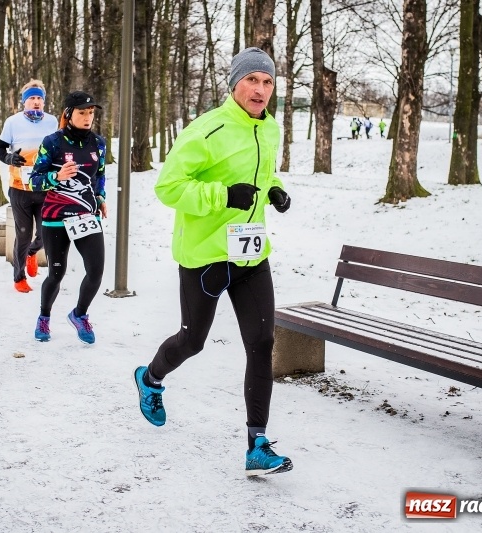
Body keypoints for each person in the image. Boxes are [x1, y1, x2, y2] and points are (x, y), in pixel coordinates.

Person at [132, 47, 294, 477]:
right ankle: (150, 379)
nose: (260, 90)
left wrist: (273, 188)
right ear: (234, 84)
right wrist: (223, 196)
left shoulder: (271, 128)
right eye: (252, 81)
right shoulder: (207, 129)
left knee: (261, 343)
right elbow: (168, 186)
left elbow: (262, 170)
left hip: (250, 253)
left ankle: (256, 443)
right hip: (205, 255)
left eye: (267, 82)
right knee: (193, 342)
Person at [28, 90, 107, 345]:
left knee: (95, 271)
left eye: (91, 113)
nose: (87, 118)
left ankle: (79, 314)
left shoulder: (99, 143)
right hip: (56, 217)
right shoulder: (52, 142)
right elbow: (34, 182)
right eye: (82, 113)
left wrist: (101, 197)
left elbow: (100, 175)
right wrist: (56, 177)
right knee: (56, 273)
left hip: (85, 215)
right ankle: (44, 316)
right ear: (68, 114)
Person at [0, 80, 59, 293]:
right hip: (20, 187)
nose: (36, 102)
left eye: (40, 98)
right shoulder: (12, 122)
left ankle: (32, 253)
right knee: (23, 233)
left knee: (44, 234)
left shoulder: (52, 122)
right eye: (32, 98)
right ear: (24, 102)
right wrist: (10, 158)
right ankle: (19, 277)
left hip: (45, 188)